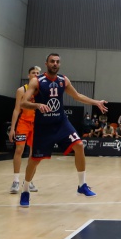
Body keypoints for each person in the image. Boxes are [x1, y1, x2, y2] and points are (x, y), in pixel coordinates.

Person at [19, 53, 108, 207]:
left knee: (79, 145)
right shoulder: (37, 81)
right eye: (52, 61)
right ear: (46, 63)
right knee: (34, 161)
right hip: (43, 126)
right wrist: (37, 105)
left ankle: (82, 185)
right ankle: (25, 190)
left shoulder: (63, 80)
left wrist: (96, 102)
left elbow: (78, 96)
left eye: (57, 62)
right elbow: (23, 103)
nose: (55, 64)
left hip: (61, 123)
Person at [8, 66, 42, 194]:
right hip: (23, 122)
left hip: (37, 124)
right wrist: (12, 128)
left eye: (38, 73)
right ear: (29, 76)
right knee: (19, 150)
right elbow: (17, 109)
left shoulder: (42, 91)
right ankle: (16, 181)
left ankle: (29, 181)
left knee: (35, 155)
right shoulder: (22, 90)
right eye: (33, 73)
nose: (35, 75)